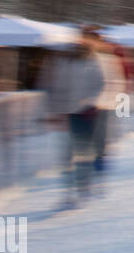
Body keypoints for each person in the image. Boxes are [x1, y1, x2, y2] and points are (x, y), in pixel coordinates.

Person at [39, 33, 106, 205]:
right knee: (66, 154)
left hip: (83, 113)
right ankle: (68, 192)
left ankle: (83, 186)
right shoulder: (59, 62)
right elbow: (50, 85)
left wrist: (87, 102)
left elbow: (100, 83)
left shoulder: (92, 60)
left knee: (82, 152)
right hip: (63, 113)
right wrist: (52, 111)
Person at [84, 27, 127, 173]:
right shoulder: (82, 58)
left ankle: (99, 157)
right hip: (85, 102)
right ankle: (87, 157)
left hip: (104, 103)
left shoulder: (108, 58)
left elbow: (118, 80)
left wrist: (117, 103)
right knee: (88, 132)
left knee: (100, 133)